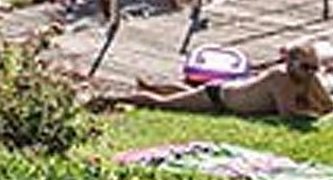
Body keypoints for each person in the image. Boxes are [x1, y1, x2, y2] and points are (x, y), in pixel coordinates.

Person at [89, 42, 333, 119]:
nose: (311, 72)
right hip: (219, 98)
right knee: (165, 104)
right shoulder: (280, 78)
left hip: (223, 91)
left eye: (315, 67)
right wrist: (315, 112)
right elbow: (288, 114)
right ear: (290, 63)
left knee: (185, 93)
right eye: (306, 67)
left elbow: (326, 103)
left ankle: (151, 85)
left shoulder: (306, 77)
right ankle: (112, 97)